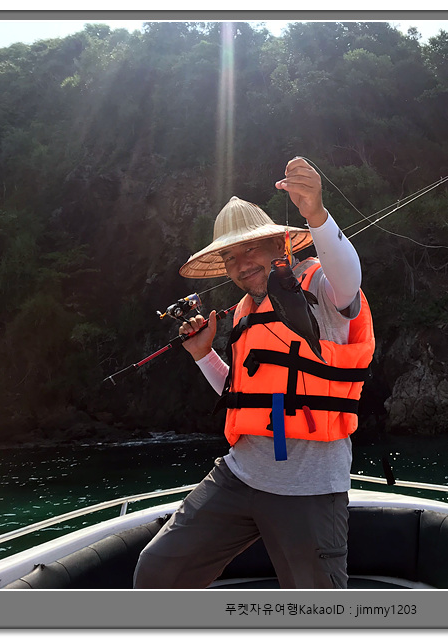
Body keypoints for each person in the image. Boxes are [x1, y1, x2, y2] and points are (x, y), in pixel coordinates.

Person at [133, 157, 375, 589]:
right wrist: (204, 354)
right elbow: (242, 393)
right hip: (240, 475)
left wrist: (316, 214)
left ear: (279, 244)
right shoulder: (245, 312)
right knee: (158, 572)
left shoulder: (320, 286)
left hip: (309, 487)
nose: (241, 263)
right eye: (229, 256)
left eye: (250, 248)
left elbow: (348, 280)